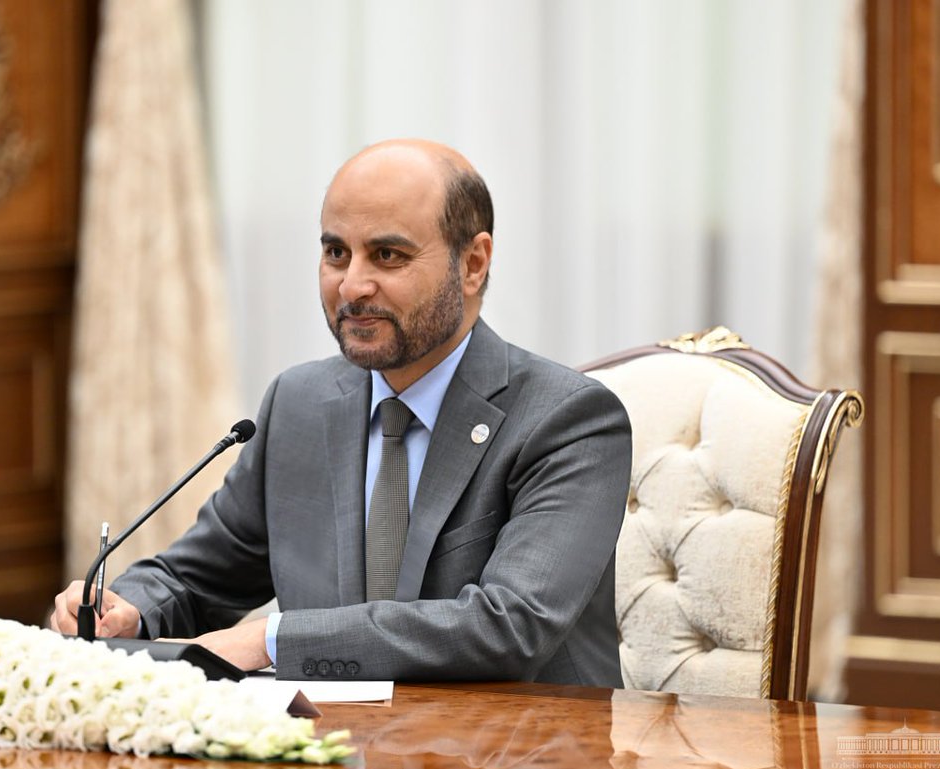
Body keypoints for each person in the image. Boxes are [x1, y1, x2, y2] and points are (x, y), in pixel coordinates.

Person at [51, 139, 632, 686]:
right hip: (328, 764)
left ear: (473, 263)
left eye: (387, 255)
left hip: (514, 767)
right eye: (336, 253)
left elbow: (510, 625)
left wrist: (272, 641)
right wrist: (129, 611)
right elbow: (194, 579)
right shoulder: (300, 405)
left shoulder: (567, 421)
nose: (352, 286)